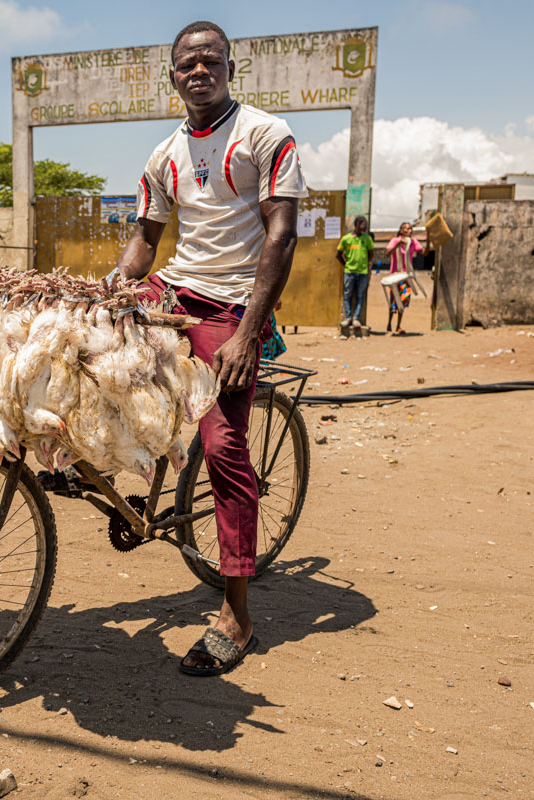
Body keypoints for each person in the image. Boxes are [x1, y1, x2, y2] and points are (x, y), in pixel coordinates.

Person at [112, 20, 305, 676]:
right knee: (84, 359)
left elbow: (281, 237)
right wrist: (115, 286)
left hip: (231, 307)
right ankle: (129, 483)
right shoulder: (163, 155)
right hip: (175, 290)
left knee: (224, 448)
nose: (199, 71)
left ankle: (238, 615)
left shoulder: (265, 135)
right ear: (173, 77)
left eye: (210, 61)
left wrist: (251, 331)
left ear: (229, 66)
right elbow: (146, 239)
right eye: (187, 65)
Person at [336, 215, 373, 337]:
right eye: (364, 224)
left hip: (362, 272)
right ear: (358, 224)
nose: (366, 227)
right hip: (349, 271)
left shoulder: (367, 239)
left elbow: (371, 255)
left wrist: (369, 270)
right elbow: (338, 254)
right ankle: (348, 317)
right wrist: (346, 264)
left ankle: (356, 318)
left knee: (360, 295)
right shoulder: (346, 239)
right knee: (347, 295)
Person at [384, 221, 421, 334]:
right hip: (395, 276)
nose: (409, 231)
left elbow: (423, 252)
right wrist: (398, 244)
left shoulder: (413, 242)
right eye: (406, 229)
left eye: (410, 229)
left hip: (406, 276)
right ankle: (389, 322)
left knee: (403, 300)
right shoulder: (395, 241)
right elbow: (388, 253)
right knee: (394, 301)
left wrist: (429, 239)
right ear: (401, 231)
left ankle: (398, 325)